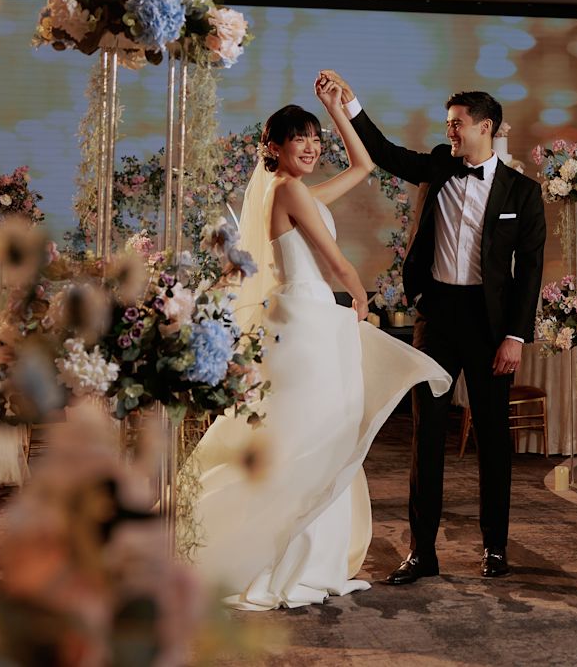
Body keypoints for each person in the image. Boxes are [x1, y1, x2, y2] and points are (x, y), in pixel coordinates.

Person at [188, 78, 450, 610]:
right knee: (308, 438)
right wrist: (360, 297)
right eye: (299, 138)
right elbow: (335, 261)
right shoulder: (287, 191)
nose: (310, 147)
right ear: (273, 147)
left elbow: (363, 166)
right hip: (305, 325)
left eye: (314, 138)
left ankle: (298, 555)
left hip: (307, 319)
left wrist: (336, 109)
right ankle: (281, 559)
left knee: (315, 435)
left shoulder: (295, 191)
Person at [317, 71, 546, 582]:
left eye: (458, 124)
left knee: (493, 439)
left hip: (490, 327)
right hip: (437, 317)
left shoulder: (523, 194)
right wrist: (349, 103)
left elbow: (529, 272)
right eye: (448, 124)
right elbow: (384, 153)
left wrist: (515, 336)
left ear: (486, 127)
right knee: (426, 436)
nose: (450, 132)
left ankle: (495, 548)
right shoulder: (440, 165)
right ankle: (422, 552)